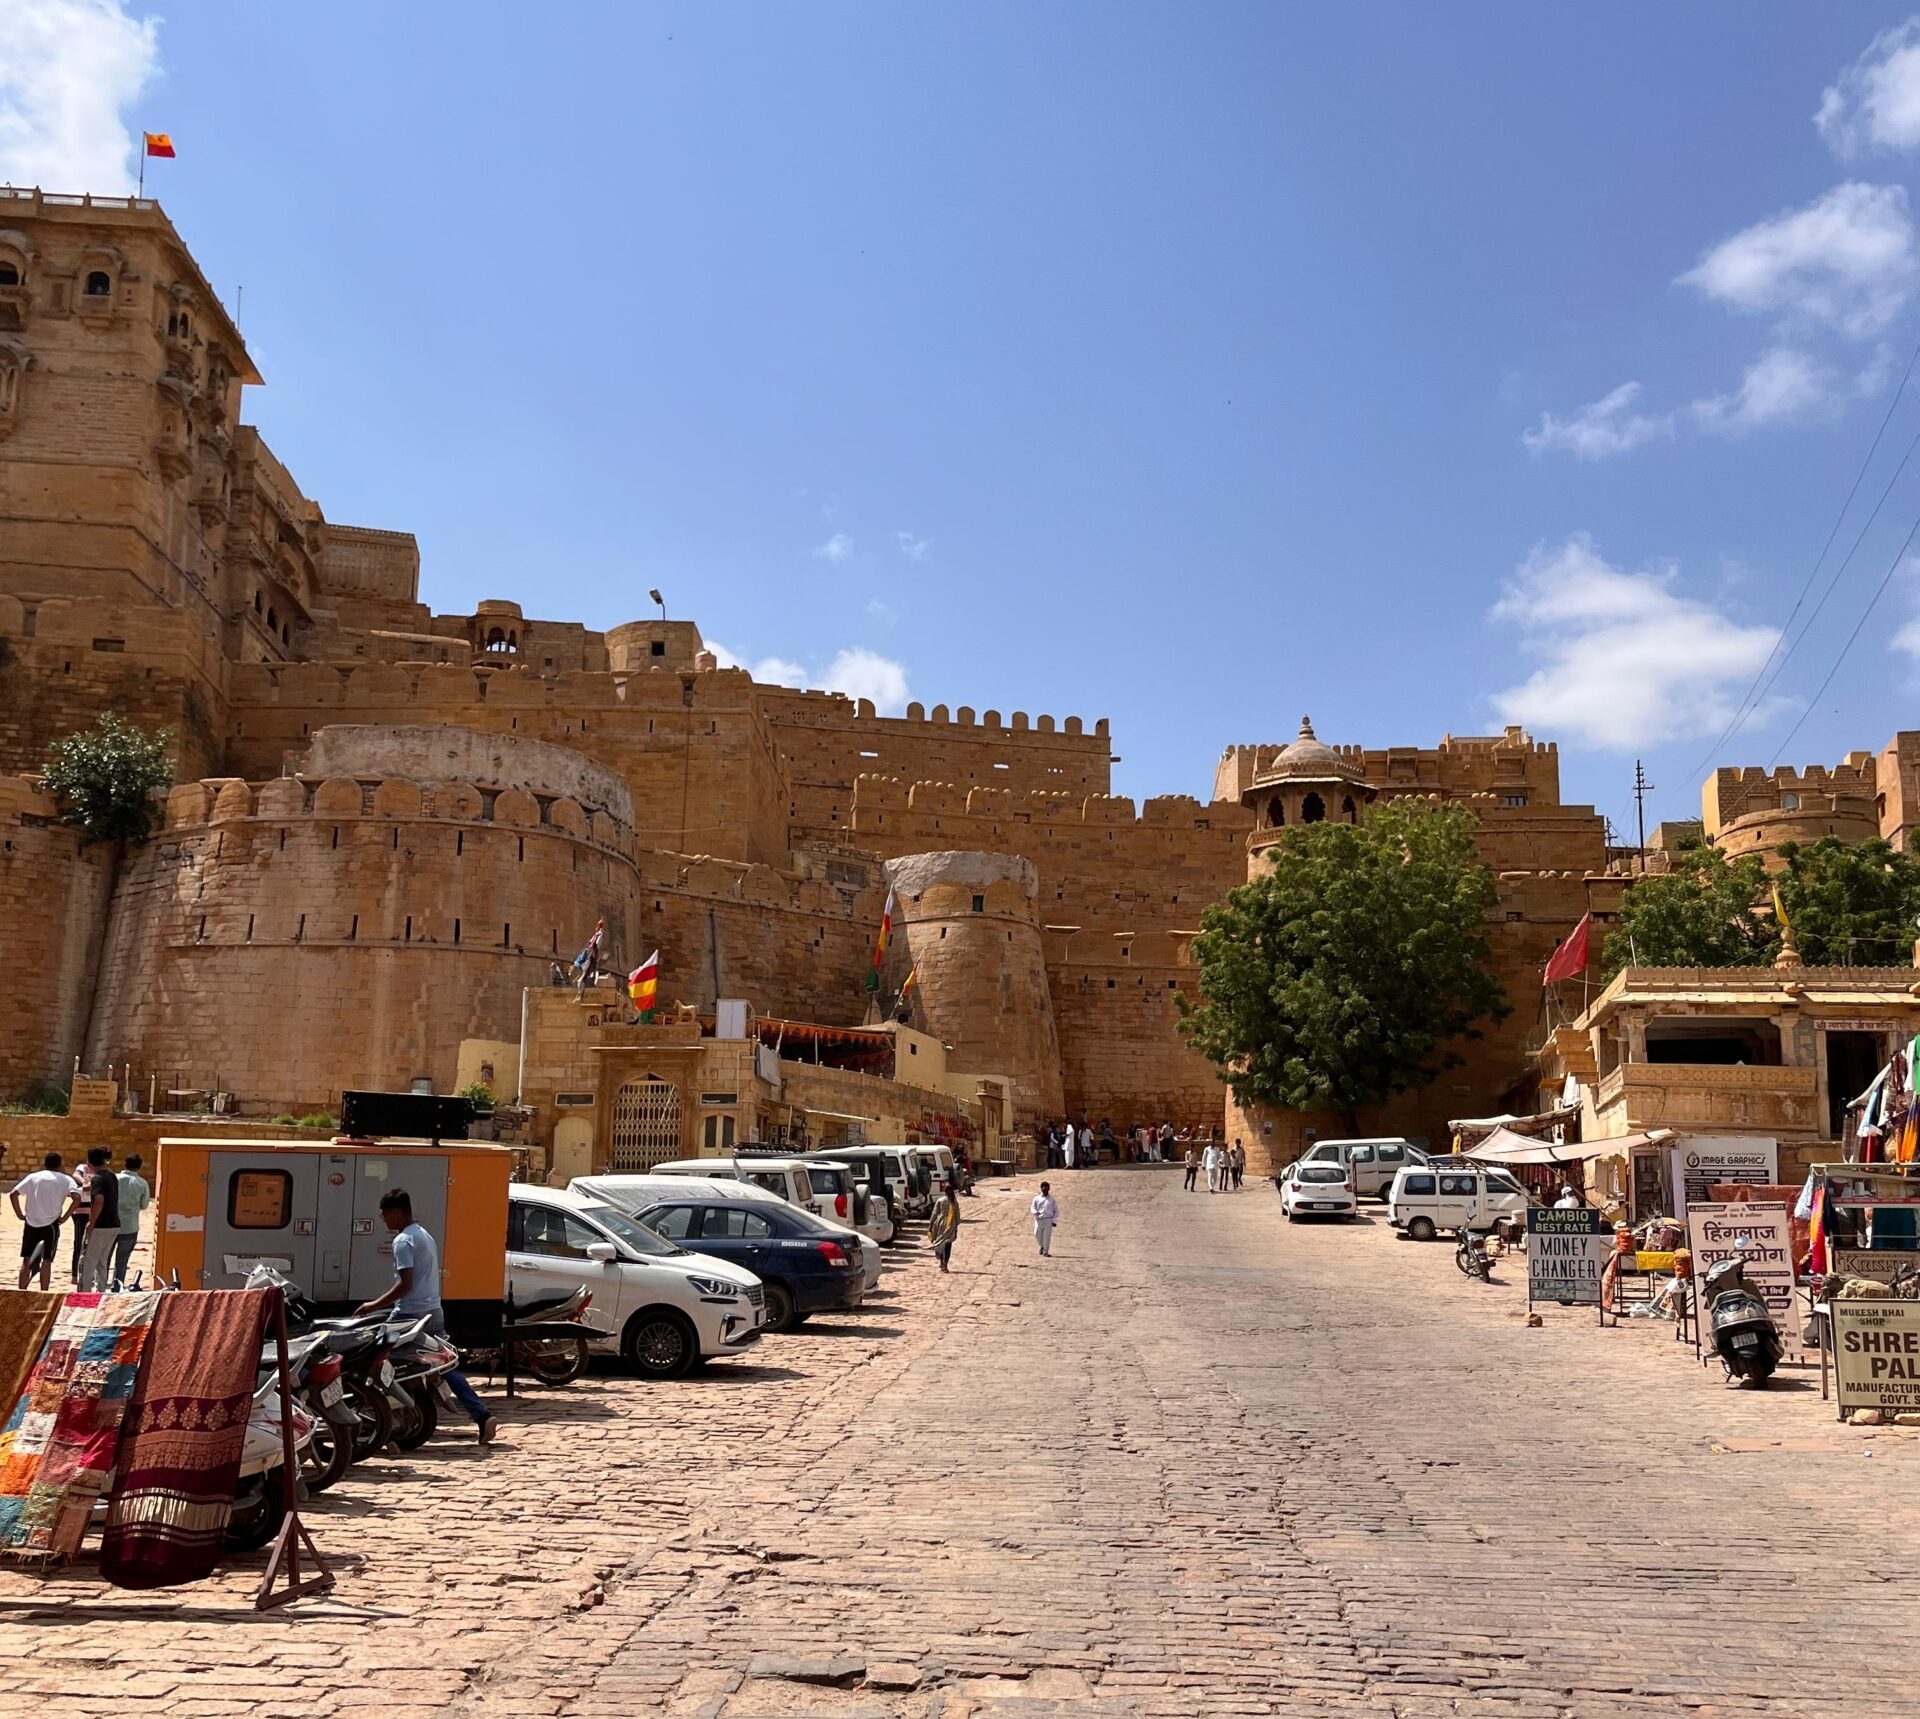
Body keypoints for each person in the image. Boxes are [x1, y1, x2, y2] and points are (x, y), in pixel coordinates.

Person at [356, 1188, 497, 1444]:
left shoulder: (402, 1241)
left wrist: (374, 1304)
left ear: (397, 1212)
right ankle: (482, 1415)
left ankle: (386, 1421)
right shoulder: (424, 1235)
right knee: (446, 1365)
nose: (384, 1220)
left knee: (374, 1361)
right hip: (433, 1311)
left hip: (409, 1314)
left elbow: (405, 1283)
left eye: (386, 1215)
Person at [10, 1152, 78, 1291]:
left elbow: (14, 1194)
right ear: (59, 1164)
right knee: (46, 1260)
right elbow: (76, 1197)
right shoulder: (66, 1179)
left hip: (31, 1222)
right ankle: (44, 1292)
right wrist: (65, 1217)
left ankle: (22, 1291)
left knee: (27, 1258)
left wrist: (19, 1214)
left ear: (44, 1163)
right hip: (51, 1224)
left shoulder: (33, 1177)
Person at [77, 1146, 121, 1291]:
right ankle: (101, 1290)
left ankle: (85, 1293)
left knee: (89, 1259)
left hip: (100, 1224)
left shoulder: (98, 1179)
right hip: (114, 1224)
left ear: (89, 1162)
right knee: (102, 1260)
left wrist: (92, 1222)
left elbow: (99, 1201)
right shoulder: (112, 1176)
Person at [113, 1154, 153, 1288]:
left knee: (104, 1258)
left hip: (110, 1224)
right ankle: (117, 1284)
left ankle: (100, 1284)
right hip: (130, 1226)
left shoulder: (114, 1178)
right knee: (122, 1259)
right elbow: (144, 1205)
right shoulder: (142, 1183)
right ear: (139, 1167)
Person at [66, 1155, 94, 1284]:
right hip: (81, 1211)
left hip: (93, 1210)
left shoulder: (101, 1172)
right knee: (79, 1243)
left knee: (92, 1244)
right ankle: (75, 1275)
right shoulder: (83, 1168)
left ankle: (88, 1274)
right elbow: (76, 1175)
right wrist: (84, 1182)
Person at [929, 1178, 961, 1273]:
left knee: (940, 1244)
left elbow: (934, 1214)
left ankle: (942, 1263)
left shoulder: (940, 1200)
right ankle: (945, 1264)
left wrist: (930, 1225)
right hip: (951, 1226)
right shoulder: (954, 1202)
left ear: (945, 1191)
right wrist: (955, 1227)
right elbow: (957, 1216)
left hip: (941, 1225)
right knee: (948, 1245)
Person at [1030, 1181, 1059, 1257]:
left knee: (1047, 1236)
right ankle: (1042, 1246)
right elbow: (1032, 1208)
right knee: (1036, 1234)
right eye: (1043, 1186)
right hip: (1039, 1219)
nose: (1045, 1188)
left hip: (1048, 1220)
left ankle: (1045, 1251)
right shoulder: (1036, 1198)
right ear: (1041, 1188)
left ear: (1049, 1188)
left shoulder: (1052, 1200)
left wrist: (1054, 1221)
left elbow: (1056, 1211)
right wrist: (1036, 1212)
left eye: (1046, 1187)